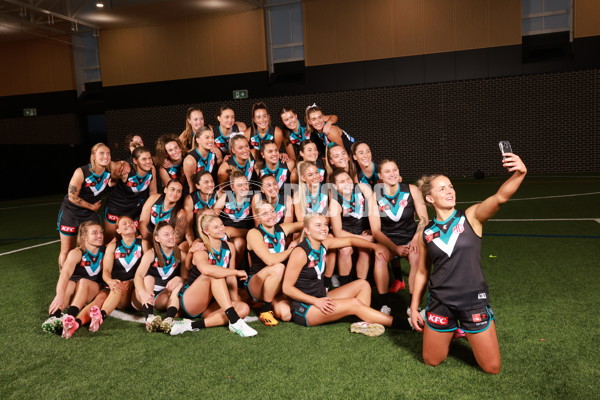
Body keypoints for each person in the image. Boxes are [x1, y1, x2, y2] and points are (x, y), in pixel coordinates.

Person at [409, 152, 527, 374]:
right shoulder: (426, 233)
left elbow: (500, 197)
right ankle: (451, 329)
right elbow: (423, 272)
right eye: (442, 188)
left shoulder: (471, 217)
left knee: (492, 368)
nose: (450, 191)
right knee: (431, 360)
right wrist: (415, 307)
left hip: (472, 300)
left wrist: (520, 172)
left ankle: (460, 328)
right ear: (430, 198)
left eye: (451, 186)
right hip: (440, 301)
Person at [282, 214, 413, 335]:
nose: (324, 228)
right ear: (307, 230)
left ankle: (363, 322)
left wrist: (375, 247)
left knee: (362, 285)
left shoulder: (323, 244)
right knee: (354, 303)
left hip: (321, 297)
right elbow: (287, 288)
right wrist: (315, 301)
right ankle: (405, 324)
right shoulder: (300, 252)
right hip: (306, 309)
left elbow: (350, 240)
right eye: (318, 225)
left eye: (325, 224)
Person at [169, 214, 257, 337]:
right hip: (191, 300)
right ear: (206, 231)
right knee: (214, 274)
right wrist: (236, 272)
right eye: (215, 227)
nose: (221, 228)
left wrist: (234, 301)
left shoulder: (230, 247)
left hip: (212, 302)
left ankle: (189, 326)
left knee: (243, 308)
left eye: (221, 225)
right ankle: (235, 321)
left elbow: (231, 279)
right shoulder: (201, 248)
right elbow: (207, 270)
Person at [328, 169, 390, 311]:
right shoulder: (335, 202)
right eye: (341, 182)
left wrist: (373, 229)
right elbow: (338, 232)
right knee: (345, 250)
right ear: (335, 186)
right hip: (346, 233)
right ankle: (344, 289)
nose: (347, 183)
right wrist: (361, 238)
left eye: (348, 179)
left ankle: (360, 288)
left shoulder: (363, 188)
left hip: (364, 229)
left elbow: (375, 209)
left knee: (364, 251)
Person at [74, 216, 145, 333]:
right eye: (124, 224)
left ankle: (100, 316)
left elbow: (146, 269)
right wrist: (110, 281)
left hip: (133, 288)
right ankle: (75, 323)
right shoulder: (112, 246)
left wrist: (132, 281)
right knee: (99, 299)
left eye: (131, 222)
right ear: (118, 231)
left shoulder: (143, 243)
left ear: (135, 226)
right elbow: (106, 271)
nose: (128, 224)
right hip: (114, 286)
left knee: (118, 288)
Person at [369, 160, 429, 296]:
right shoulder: (374, 196)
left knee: (416, 256)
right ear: (380, 176)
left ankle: (413, 304)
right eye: (387, 171)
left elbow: (424, 220)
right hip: (388, 240)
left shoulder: (412, 189)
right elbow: (376, 231)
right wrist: (394, 248)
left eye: (394, 169)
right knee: (380, 257)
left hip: (410, 237)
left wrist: (415, 240)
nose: (392, 174)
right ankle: (385, 305)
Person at [57, 143, 117, 269]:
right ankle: (64, 278)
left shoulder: (110, 171)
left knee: (94, 247)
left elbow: (126, 167)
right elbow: (72, 196)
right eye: (101, 153)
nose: (106, 156)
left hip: (89, 214)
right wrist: (92, 207)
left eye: (108, 153)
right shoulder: (81, 172)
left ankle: (92, 275)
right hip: (71, 213)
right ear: (93, 156)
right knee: (66, 249)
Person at [43, 221, 106, 338]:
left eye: (101, 232)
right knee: (70, 283)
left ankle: (70, 316)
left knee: (83, 282)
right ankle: (55, 317)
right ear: (84, 237)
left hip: (93, 291)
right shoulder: (76, 253)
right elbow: (65, 274)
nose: (100, 235)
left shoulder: (106, 250)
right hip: (76, 292)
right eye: (94, 233)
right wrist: (59, 295)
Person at [246, 202, 303, 326]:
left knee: (286, 315)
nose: (270, 216)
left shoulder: (282, 228)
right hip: (257, 284)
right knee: (278, 267)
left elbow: (309, 224)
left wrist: (298, 240)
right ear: (257, 217)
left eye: (272, 211)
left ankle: (269, 302)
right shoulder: (254, 233)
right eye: (264, 214)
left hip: (277, 284)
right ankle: (265, 309)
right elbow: (270, 261)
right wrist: (292, 250)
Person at [133, 222, 184, 333]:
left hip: (161, 297)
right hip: (142, 296)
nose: (171, 237)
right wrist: (143, 292)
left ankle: (168, 319)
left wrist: (180, 279)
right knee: (148, 278)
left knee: (180, 284)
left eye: (173, 233)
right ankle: (149, 318)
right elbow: (138, 275)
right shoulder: (151, 254)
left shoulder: (180, 254)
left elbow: (187, 277)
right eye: (166, 235)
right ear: (157, 238)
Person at [104, 146, 157, 243]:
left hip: (134, 210)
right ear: (135, 161)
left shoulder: (152, 169)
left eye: (149, 158)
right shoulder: (126, 170)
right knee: (110, 241)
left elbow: (153, 192)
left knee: (134, 240)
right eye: (144, 159)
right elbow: (109, 166)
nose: (148, 161)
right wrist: (112, 179)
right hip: (116, 209)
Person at [138, 179, 191, 250]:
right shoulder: (153, 198)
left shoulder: (180, 214)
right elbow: (142, 222)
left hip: (166, 244)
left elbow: (177, 239)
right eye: (172, 189)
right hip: (148, 236)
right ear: (165, 190)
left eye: (179, 191)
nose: (175, 193)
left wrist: (159, 247)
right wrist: (148, 239)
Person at [182, 125, 220, 193]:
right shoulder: (190, 161)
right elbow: (192, 187)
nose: (211, 140)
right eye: (207, 138)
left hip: (211, 191)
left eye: (212, 137)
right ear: (198, 140)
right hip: (195, 194)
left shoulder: (215, 153)